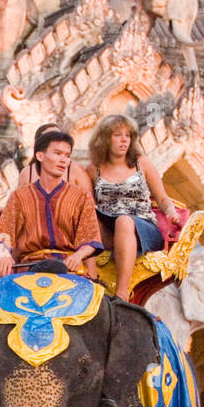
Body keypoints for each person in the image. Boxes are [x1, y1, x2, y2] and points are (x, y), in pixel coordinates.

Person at [85, 113, 180, 297]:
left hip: (142, 226)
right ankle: (91, 281)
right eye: (117, 135)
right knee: (90, 221)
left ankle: (122, 294)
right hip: (108, 225)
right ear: (105, 139)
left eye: (127, 136)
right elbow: (87, 205)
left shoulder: (140, 163)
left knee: (124, 221)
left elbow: (162, 198)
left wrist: (170, 211)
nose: (123, 140)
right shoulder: (93, 169)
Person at [0, 128, 103, 278]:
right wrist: (3, 253)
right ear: (40, 155)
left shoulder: (81, 196)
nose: (64, 160)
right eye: (57, 153)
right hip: (28, 269)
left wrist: (78, 256)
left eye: (67, 155)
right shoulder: (19, 196)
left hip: (69, 269)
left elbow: (91, 238)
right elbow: (3, 231)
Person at [16, 122, 94, 196]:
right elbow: (18, 205)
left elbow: (90, 205)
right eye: (51, 138)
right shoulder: (27, 173)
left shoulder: (76, 171)